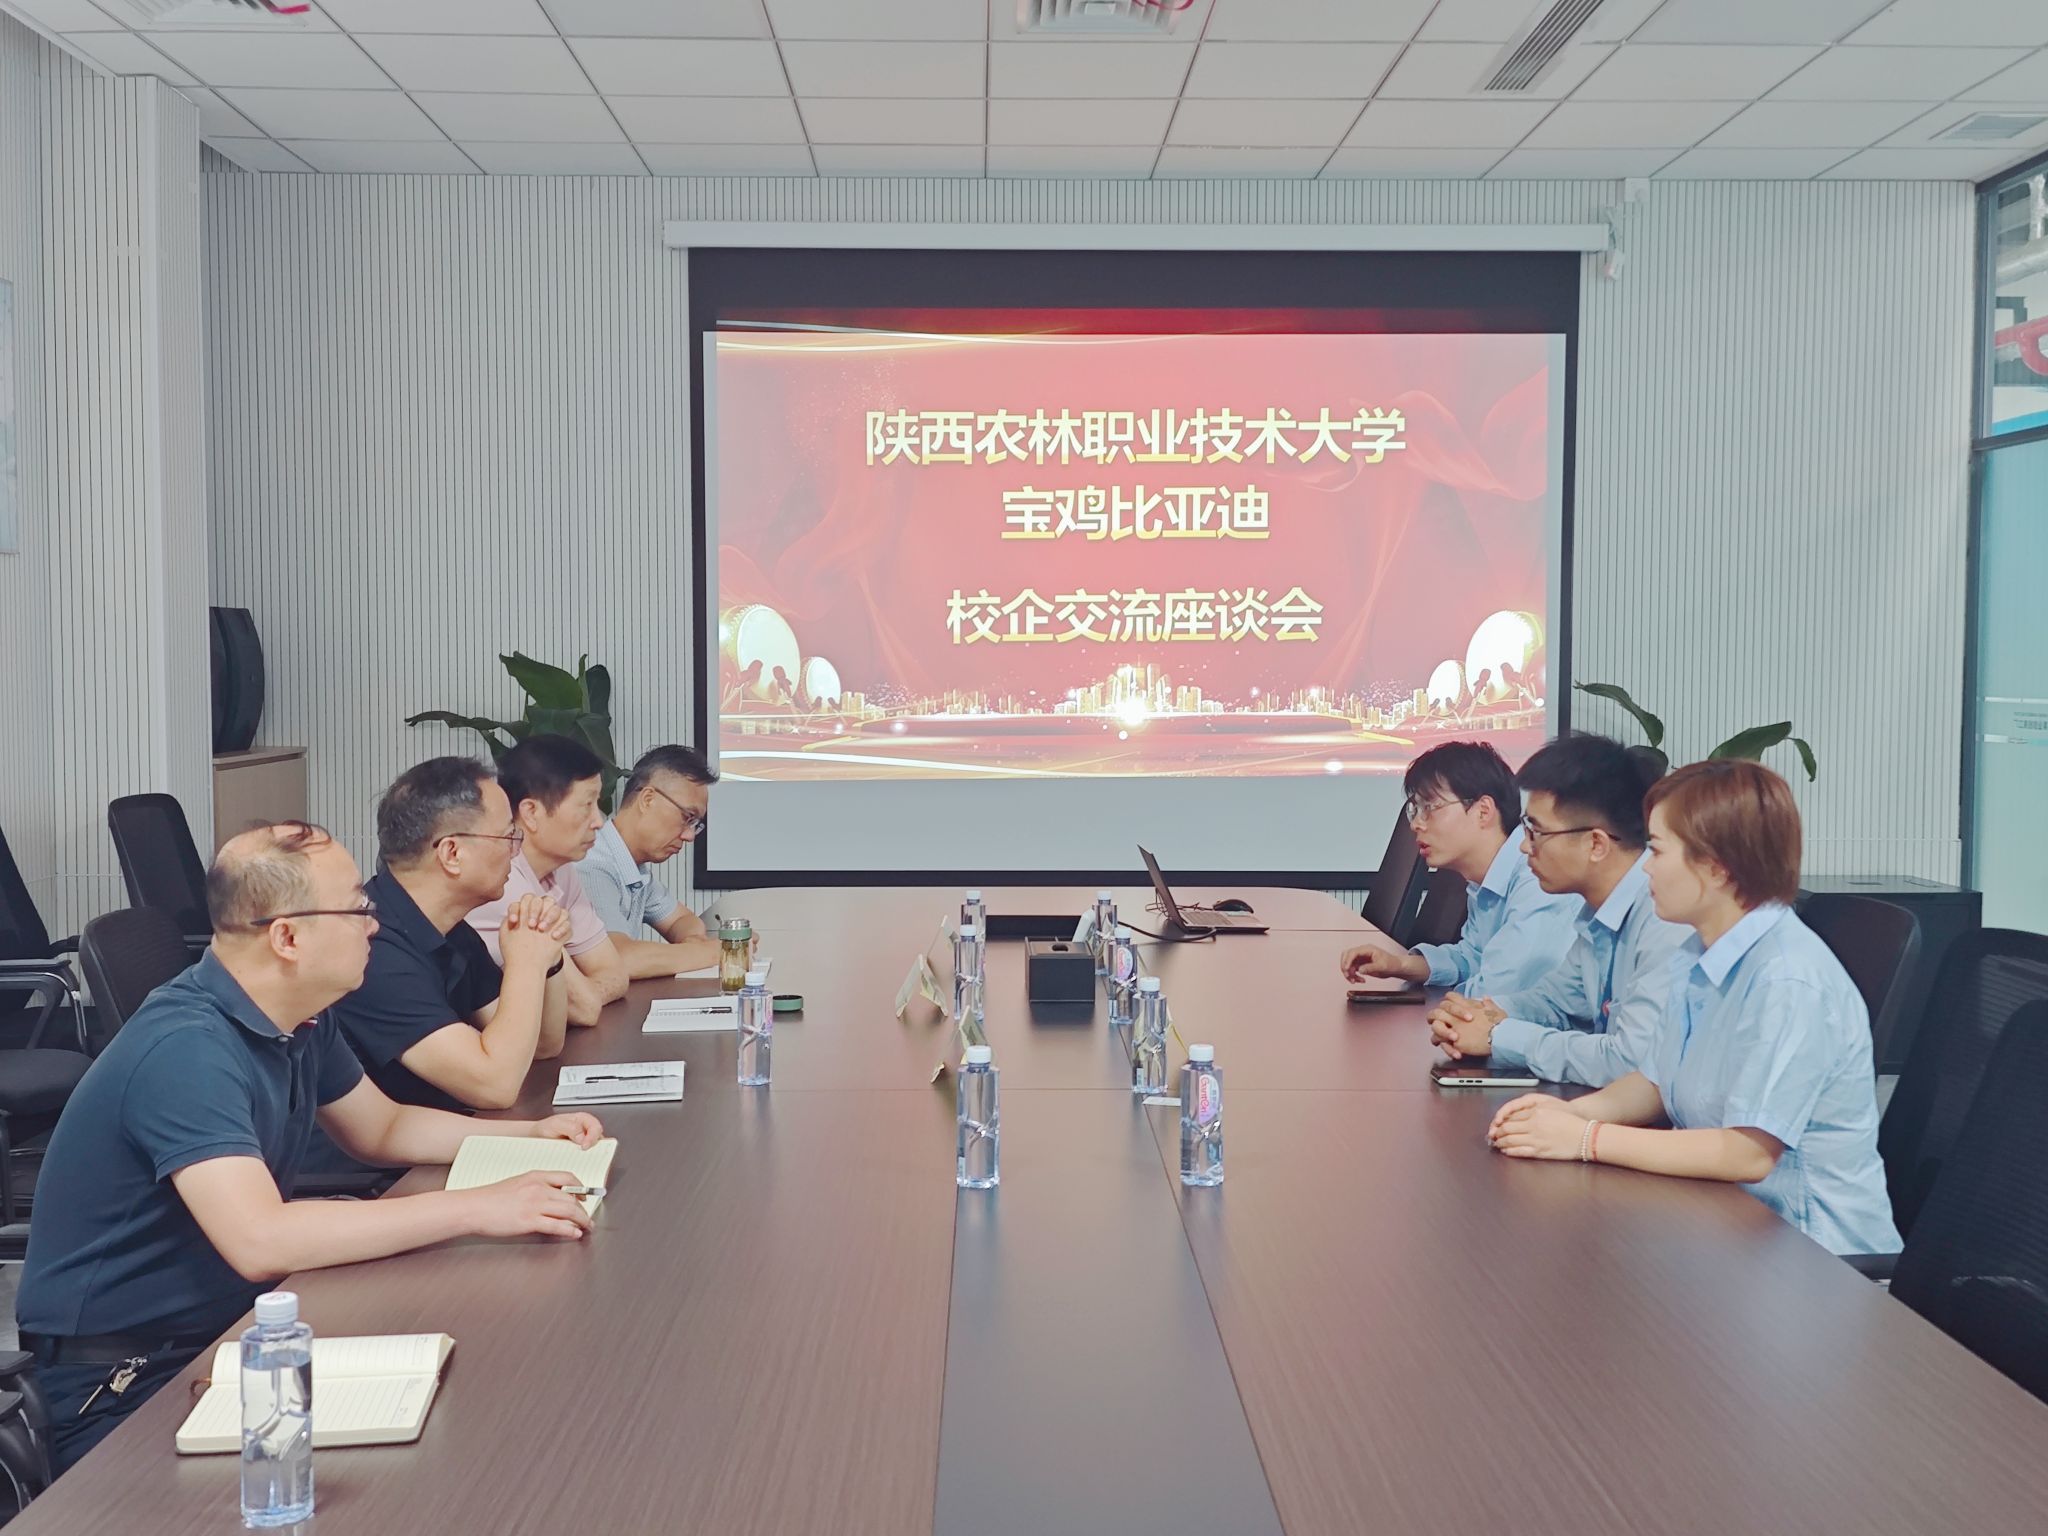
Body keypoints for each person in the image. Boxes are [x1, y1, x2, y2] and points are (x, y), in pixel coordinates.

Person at [14, 823, 605, 1473]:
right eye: (357, 909)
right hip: (127, 1382)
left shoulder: (299, 1015)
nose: (373, 926)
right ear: (287, 938)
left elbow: (382, 1129)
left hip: (230, 1333)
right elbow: (261, 1238)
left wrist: (529, 1136)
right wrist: (475, 1207)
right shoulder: (186, 1049)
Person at [1488, 760, 1901, 1257]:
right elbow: (1656, 1082)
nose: (1645, 866)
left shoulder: (1788, 978)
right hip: (1722, 1224)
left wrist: (1586, 1139)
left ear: (1716, 867)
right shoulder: (1697, 952)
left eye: (1658, 850)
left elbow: (1747, 1153)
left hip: (1809, 1254)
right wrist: (1567, 1114)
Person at [1428, 733, 1687, 1087]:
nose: (1524, 847)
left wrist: (1498, 1036)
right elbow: (1554, 1003)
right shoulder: (1597, 915)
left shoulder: (1665, 918)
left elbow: (1630, 1062)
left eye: (1537, 832)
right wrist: (1481, 1014)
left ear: (1595, 844)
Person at [332, 757, 571, 1112]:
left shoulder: (453, 931)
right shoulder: (372, 952)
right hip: (387, 1149)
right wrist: (526, 963)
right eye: (507, 836)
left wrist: (546, 955)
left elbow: (544, 1046)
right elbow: (495, 1084)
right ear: (452, 853)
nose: (515, 852)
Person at [1340, 741, 1579, 997]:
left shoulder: (1537, 875)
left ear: (1483, 811)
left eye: (1429, 808)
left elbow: (1501, 986)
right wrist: (1400, 965)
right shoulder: (1484, 881)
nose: (1416, 824)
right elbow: (1473, 957)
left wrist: (1444, 1008)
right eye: (1415, 810)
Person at [467, 735, 628, 1027]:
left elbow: (614, 973)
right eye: (586, 805)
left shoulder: (562, 870)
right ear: (531, 813)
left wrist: (587, 993)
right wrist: (583, 995)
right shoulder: (501, 882)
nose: (599, 821)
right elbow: (585, 1009)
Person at [581, 744, 721, 978]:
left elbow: (681, 920)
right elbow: (615, 959)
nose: (689, 836)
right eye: (687, 817)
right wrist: (712, 953)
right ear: (647, 799)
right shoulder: (592, 864)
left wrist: (693, 940)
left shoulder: (633, 867)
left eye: (695, 824)